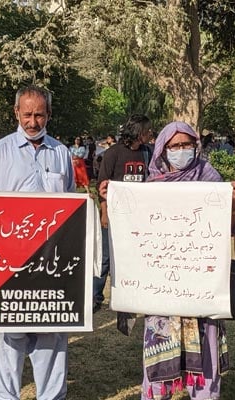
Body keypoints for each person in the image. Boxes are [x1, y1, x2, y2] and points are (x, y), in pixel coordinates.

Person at [0, 85, 74, 400]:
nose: (33, 122)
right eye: (27, 114)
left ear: (48, 114)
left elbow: (71, 211)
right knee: (7, 347)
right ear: (16, 113)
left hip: (51, 269)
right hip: (9, 268)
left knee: (50, 344)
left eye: (39, 115)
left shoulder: (61, 153)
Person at [138, 121, 235, 399]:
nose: (181, 150)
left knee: (205, 354)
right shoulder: (150, 186)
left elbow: (228, 230)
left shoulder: (209, 177)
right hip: (163, 286)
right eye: (175, 146)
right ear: (163, 150)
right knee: (161, 349)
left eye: (187, 145)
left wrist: (231, 204)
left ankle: (205, 393)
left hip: (202, 284)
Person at [94, 114, 154, 312]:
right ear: (139, 133)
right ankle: (95, 297)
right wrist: (104, 212)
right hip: (114, 215)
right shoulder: (113, 154)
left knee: (134, 257)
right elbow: (101, 186)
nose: (151, 133)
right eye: (148, 130)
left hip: (138, 218)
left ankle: (132, 294)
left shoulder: (148, 153)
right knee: (105, 258)